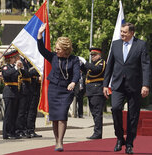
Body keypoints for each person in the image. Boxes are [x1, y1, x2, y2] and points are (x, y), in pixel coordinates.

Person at [103, 22, 151, 154]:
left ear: (132, 33)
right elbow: (110, 65)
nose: (122, 34)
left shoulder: (141, 45)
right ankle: (119, 137)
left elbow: (145, 66)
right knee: (116, 108)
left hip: (135, 85)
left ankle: (129, 143)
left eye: (124, 32)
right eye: (121, 31)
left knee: (133, 116)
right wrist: (105, 84)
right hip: (118, 84)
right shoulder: (116, 44)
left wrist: (145, 85)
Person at [37, 23, 80, 151]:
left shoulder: (74, 59)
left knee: (62, 115)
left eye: (59, 49)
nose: (56, 51)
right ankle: (56, 141)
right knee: (55, 117)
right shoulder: (53, 57)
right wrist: (40, 34)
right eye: (56, 49)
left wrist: (73, 82)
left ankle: (61, 141)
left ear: (66, 50)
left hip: (67, 90)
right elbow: (41, 49)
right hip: (54, 89)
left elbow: (77, 73)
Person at [79, 47, 106, 139]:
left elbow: (97, 70)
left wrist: (86, 63)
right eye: (92, 55)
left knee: (97, 113)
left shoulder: (102, 63)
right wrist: (81, 64)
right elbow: (85, 71)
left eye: (94, 55)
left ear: (99, 55)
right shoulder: (92, 64)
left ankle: (98, 133)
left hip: (97, 91)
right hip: (91, 91)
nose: (92, 57)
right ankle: (97, 132)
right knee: (94, 112)